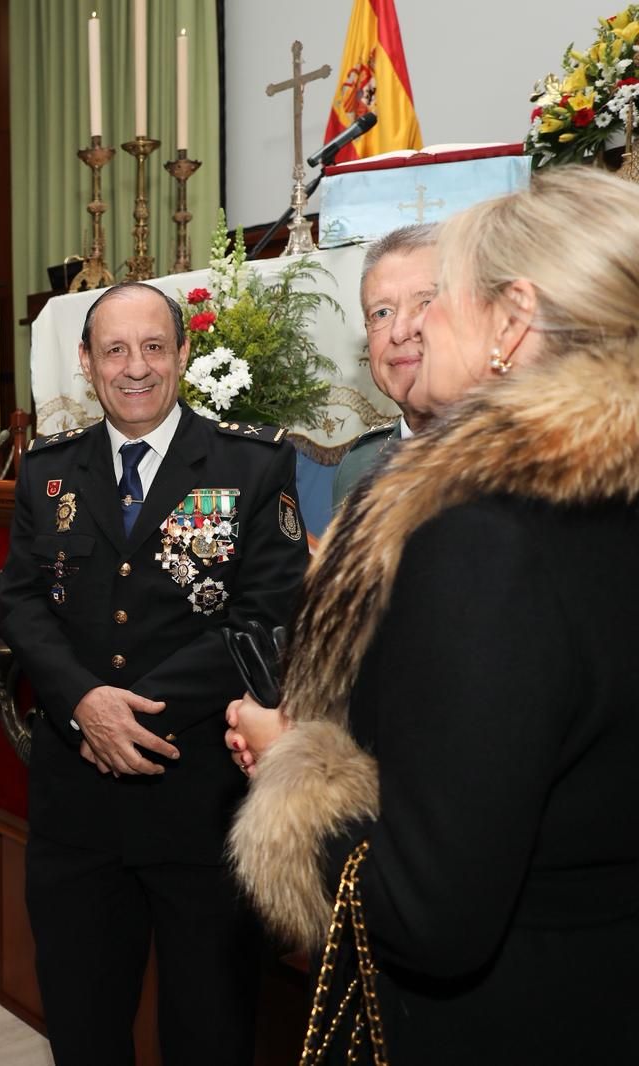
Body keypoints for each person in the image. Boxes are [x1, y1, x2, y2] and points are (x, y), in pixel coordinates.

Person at [225, 168, 639, 1063]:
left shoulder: (488, 541)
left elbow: (427, 912)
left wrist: (292, 766)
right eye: (388, 311)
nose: (412, 328)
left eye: (437, 296)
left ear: (512, 321)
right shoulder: (598, 497)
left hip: (502, 1019)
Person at [0, 282, 308, 1066]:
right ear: (86, 363)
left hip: (200, 803)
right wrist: (83, 702)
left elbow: (267, 616)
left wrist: (129, 711)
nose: (135, 367)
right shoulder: (47, 471)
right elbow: (22, 604)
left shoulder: (252, 463)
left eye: (153, 347)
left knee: (211, 1033)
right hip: (77, 809)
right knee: (83, 1030)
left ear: (183, 354)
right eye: (115, 350)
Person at [331, 224, 437, 507]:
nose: (399, 331)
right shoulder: (359, 466)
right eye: (382, 313)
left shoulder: (525, 459)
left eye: (425, 303)